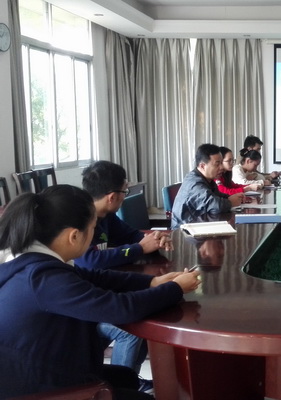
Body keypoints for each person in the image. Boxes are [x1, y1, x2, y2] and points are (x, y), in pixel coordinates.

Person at [0, 185, 200, 399]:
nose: (94, 235)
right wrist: (176, 288)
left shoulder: (32, 262)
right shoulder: (43, 280)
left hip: (45, 369)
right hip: (40, 388)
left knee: (127, 378)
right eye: (93, 228)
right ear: (74, 236)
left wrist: (153, 282)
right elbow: (120, 309)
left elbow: (95, 277)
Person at [76, 160, 174, 392]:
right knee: (129, 328)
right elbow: (89, 261)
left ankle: (131, 381)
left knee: (142, 314)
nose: (124, 197)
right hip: (83, 310)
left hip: (101, 292)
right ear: (112, 197)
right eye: (125, 192)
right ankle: (118, 391)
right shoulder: (80, 218)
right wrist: (139, 249)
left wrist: (153, 239)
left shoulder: (106, 215)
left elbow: (130, 235)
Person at [171, 143, 244, 229]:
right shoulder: (194, 183)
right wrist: (231, 202)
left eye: (221, 163)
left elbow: (217, 195)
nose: (221, 167)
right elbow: (214, 205)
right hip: (184, 230)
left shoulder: (208, 179)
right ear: (202, 166)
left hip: (200, 224)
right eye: (217, 164)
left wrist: (232, 197)